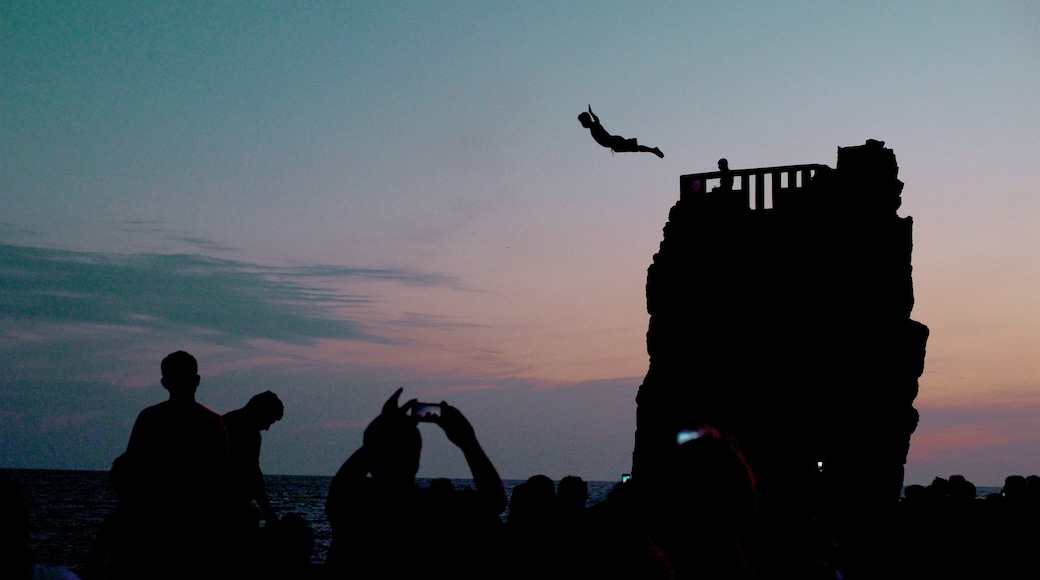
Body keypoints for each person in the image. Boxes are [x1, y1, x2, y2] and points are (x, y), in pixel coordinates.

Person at [324, 388, 507, 578]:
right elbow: (494, 502)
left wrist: (384, 427)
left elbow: (342, 485)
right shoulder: (436, 509)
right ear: (416, 460)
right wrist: (468, 441)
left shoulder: (353, 506)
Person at [106, 350, 232, 579]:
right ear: (197, 381)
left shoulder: (149, 418)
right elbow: (220, 482)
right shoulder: (212, 423)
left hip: (151, 530)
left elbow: (130, 469)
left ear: (165, 383)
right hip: (195, 531)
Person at [223, 391, 284, 529]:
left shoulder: (224, 421)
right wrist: (268, 513)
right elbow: (253, 475)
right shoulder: (250, 435)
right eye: (269, 420)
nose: (267, 428)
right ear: (261, 412)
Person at [578, 105, 664, 158]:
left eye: (582, 122)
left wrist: (591, 113)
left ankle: (653, 150)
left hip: (615, 142)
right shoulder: (593, 126)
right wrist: (591, 113)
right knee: (635, 148)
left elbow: (597, 121)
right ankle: (653, 150)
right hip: (614, 145)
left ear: (586, 120)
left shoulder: (594, 126)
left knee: (636, 148)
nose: (582, 124)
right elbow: (597, 120)